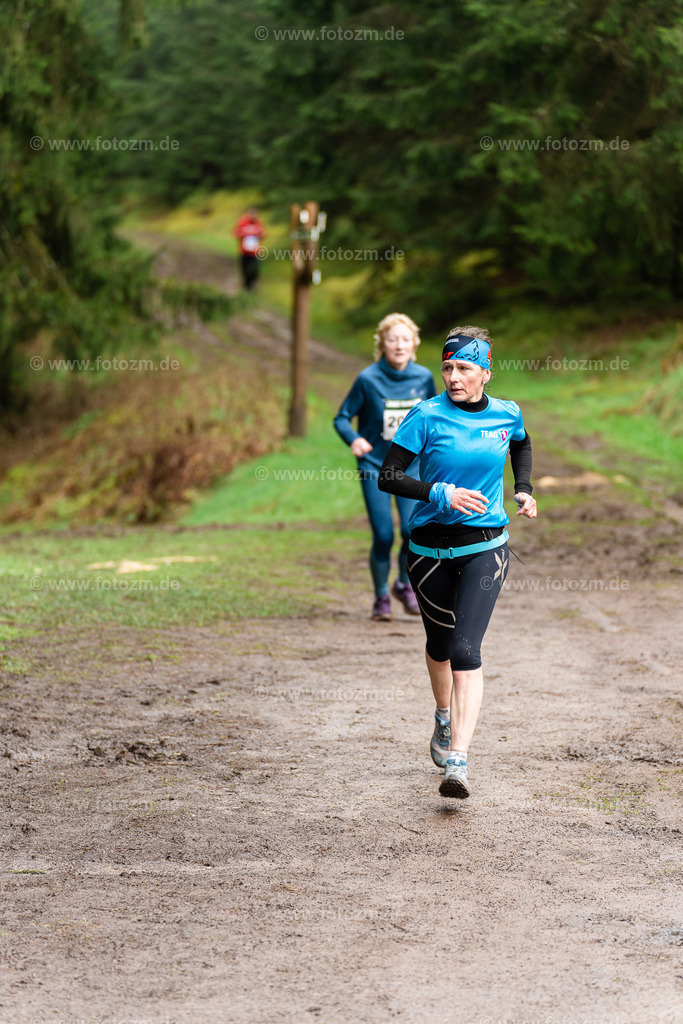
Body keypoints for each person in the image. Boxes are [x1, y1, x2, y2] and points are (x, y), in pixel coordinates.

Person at [377, 325, 537, 798]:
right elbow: (389, 475)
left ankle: (458, 761)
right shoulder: (425, 416)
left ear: (486, 372)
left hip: (486, 546)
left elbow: (521, 444)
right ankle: (443, 718)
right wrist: (438, 491)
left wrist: (522, 488)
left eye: (464, 368)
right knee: (440, 645)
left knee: (467, 651)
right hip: (428, 553)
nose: (452, 376)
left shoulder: (507, 413)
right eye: (447, 367)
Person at [334, 313, 437, 621]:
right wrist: (354, 439)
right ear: (382, 344)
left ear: (414, 344)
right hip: (374, 465)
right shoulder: (367, 379)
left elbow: (436, 416)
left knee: (411, 531)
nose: (399, 345)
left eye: (405, 339)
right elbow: (341, 417)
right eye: (392, 339)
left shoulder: (423, 378)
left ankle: (403, 585)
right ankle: (381, 597)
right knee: (382, 534)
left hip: (410, 467)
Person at [233, 207, 266, 290]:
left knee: (255, 270)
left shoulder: (259, 223)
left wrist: (260, 234)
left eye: (254, 214)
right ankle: (246, 286)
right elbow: (236, 233)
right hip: (244, 251)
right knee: (244, 269)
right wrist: (242, 233)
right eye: (251, 214)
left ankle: (252, 284)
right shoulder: (242, 222)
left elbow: (264, 234)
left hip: (255, 252)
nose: (253, 216)